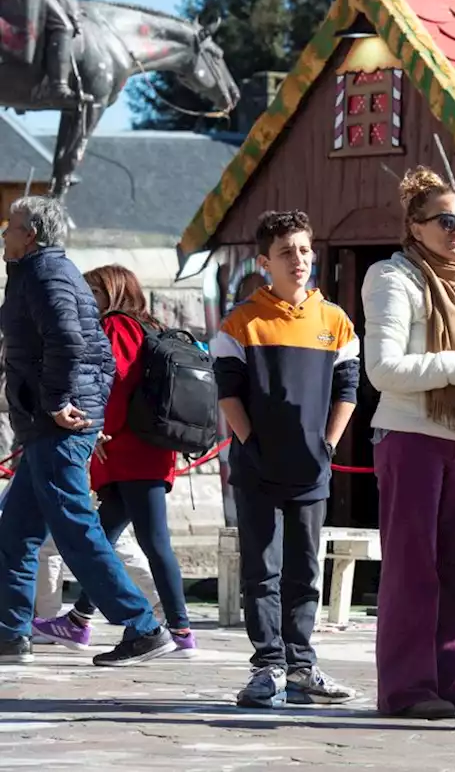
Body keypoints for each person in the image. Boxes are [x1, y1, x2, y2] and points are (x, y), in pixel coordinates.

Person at [0, 195, 174, 666]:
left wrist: (60, 404)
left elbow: (70, 342)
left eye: (10, 226)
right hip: (44, 427)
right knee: (14, 532)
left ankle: (143, 627)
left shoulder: (46, 274)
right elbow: (89, 349)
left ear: (31, 234)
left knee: (76, 530)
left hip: (54, 425)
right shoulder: (41, 274)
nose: (4, 232)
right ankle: (11, 632)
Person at [361, 167, 455, 719]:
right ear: (415, 227)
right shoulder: (392, 277)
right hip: (409, 437)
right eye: (446, 221)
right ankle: (406, 689)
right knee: (412, 569)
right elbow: (382, 368)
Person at [212, 210, 359, 707]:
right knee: (262, 572)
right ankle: (267, 666)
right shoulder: (240, 323)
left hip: (311, 470)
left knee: (305, 572)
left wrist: (329, 445)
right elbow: (228, 394)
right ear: (263, 263)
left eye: (303, 249)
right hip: (256, 471)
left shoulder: (335, 321)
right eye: (285, 252)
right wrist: (251, 445)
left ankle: (302, 665)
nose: (298, 259)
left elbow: (348, 391)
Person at [31, 265, 195, 655]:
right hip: (140, 451)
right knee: (101, 539)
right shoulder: (148, 325)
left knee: (154, 542)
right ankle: (78, 621)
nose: (86, 298)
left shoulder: (118, 326)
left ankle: (181, 630)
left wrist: (100, 428)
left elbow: (114, 381)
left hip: (130, 451)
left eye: (93, 290)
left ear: (113, 291)